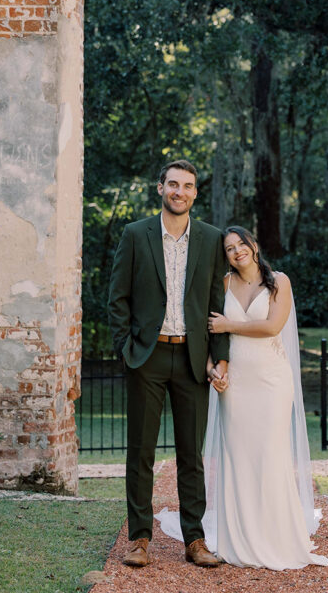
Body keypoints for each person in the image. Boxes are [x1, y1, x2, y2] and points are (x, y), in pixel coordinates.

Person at [157, 225, 328, 570]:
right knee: (237, 458)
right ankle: (239, 540)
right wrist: (212, 369)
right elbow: (207, 335)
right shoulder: (223, 285)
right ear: (226, 256)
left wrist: (229, 325)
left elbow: (271, 326)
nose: (237, 251)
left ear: (254, 244)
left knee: (269, 454)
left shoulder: (279, 281)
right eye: (229, 248)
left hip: (271, 381)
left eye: (241, 243)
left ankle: (276, 538)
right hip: (235, 383)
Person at [107, 159, 229, 569]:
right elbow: (117, 298)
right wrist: (126, 349)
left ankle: (195, 539)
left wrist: (219, 356)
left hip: (193, 359)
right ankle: (139, 538)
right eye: (173, 184)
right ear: (160, 188)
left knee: (191, 455)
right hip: (147, 356)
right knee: (141, 451)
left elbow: (216, 304)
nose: (180, 191)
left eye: (188, 186)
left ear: (196, 193)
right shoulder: (135, 234)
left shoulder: (211, 239)